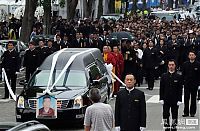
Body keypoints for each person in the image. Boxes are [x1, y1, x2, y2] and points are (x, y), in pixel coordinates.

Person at [160, 59, 183, 131]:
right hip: (166, 99)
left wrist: (179, 99)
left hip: (175, 100)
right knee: (165, 114)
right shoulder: (164, 76)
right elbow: (162, 88)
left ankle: (174, 128)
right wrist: (161, 98)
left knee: (174, 115)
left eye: (172, 65)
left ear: (175, 66)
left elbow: (180, 89)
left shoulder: (178, 76)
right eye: (170, 65)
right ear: (168, 65)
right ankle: (166, 127)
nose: (171, 66)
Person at [182, 51, 200, 117]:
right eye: (190, 55)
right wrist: (182, 83)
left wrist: (199, 84)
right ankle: (186, 112)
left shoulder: (198, 64)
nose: (191, 56)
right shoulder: (185, 64)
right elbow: (183, 75)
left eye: (192, 55)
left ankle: (192, 112)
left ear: (195, 56)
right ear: (188, 56)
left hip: (194, 84)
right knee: (186, 98)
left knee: (193, 99)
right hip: (187, 84)